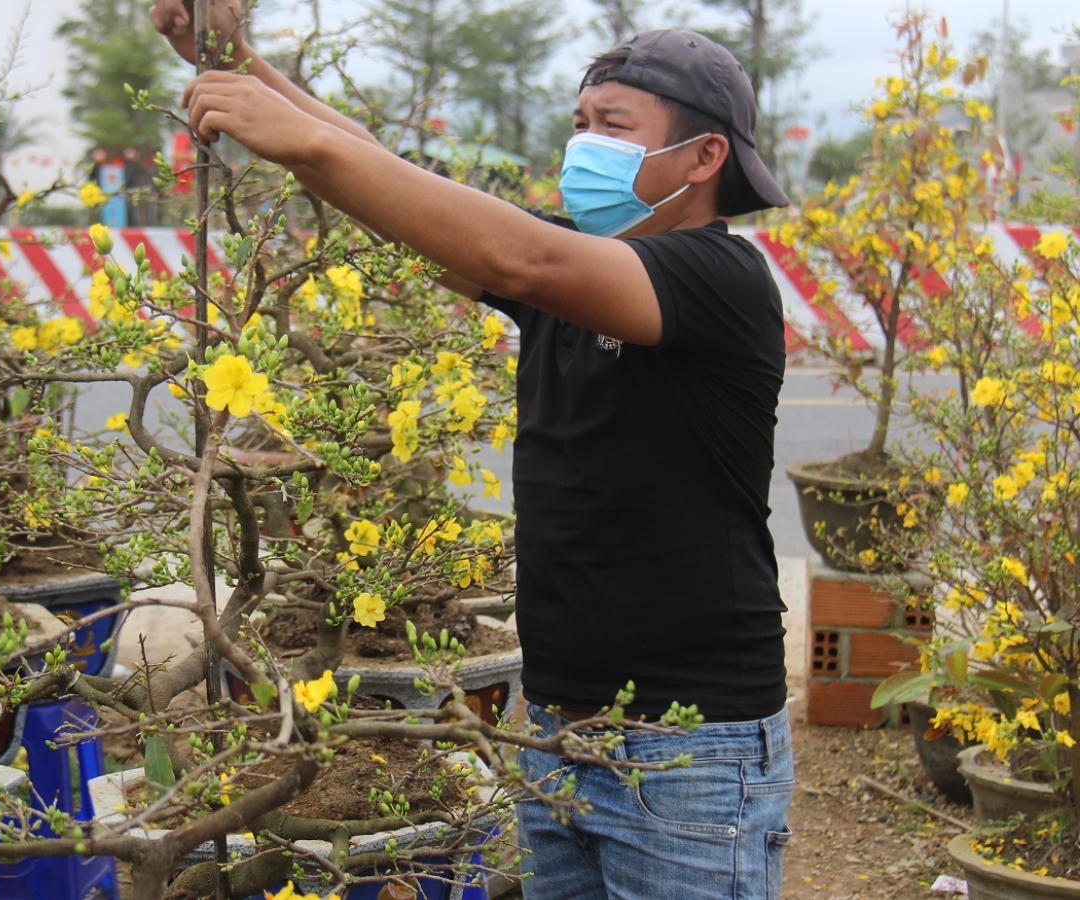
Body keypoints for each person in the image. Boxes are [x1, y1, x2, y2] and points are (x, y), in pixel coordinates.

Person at [151, 3, 794, 897]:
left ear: (704, 157)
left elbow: (515, 254)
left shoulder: (720, 280)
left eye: (613, 127)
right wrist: (235, 62)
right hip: (552, 728)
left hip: (688, 749)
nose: (585, 145)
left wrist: (303, 142)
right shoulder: (567, 272)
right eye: (579, 124)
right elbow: (399, 185)